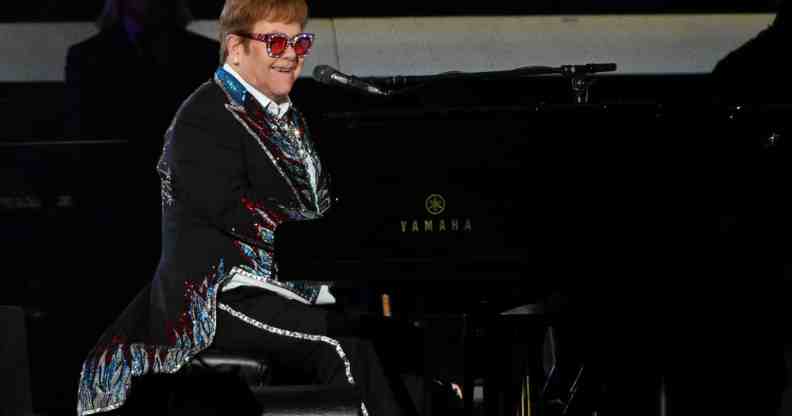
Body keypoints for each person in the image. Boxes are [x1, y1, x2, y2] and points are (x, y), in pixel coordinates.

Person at [76, 1, 411, 415]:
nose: (291, 54)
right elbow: (242, 213)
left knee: (399, 341)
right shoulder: (203, 117)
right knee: (344, 346)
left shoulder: (289, 118)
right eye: (275, 42)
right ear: (236, 48)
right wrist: (334, 250)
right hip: (218, 295)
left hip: (286, 288)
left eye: (299, 41)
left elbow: (323, 208)